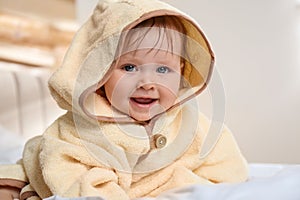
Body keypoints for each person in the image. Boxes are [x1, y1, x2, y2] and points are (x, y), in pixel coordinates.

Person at [0, 0, 248, 199]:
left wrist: (179, 183)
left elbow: (227, 171)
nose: (147, 83)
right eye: (129, 67)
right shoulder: (81, 130)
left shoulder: (193, 126)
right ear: (100, 73)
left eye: (163, 69)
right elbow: (69, 173)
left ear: (181, 72)